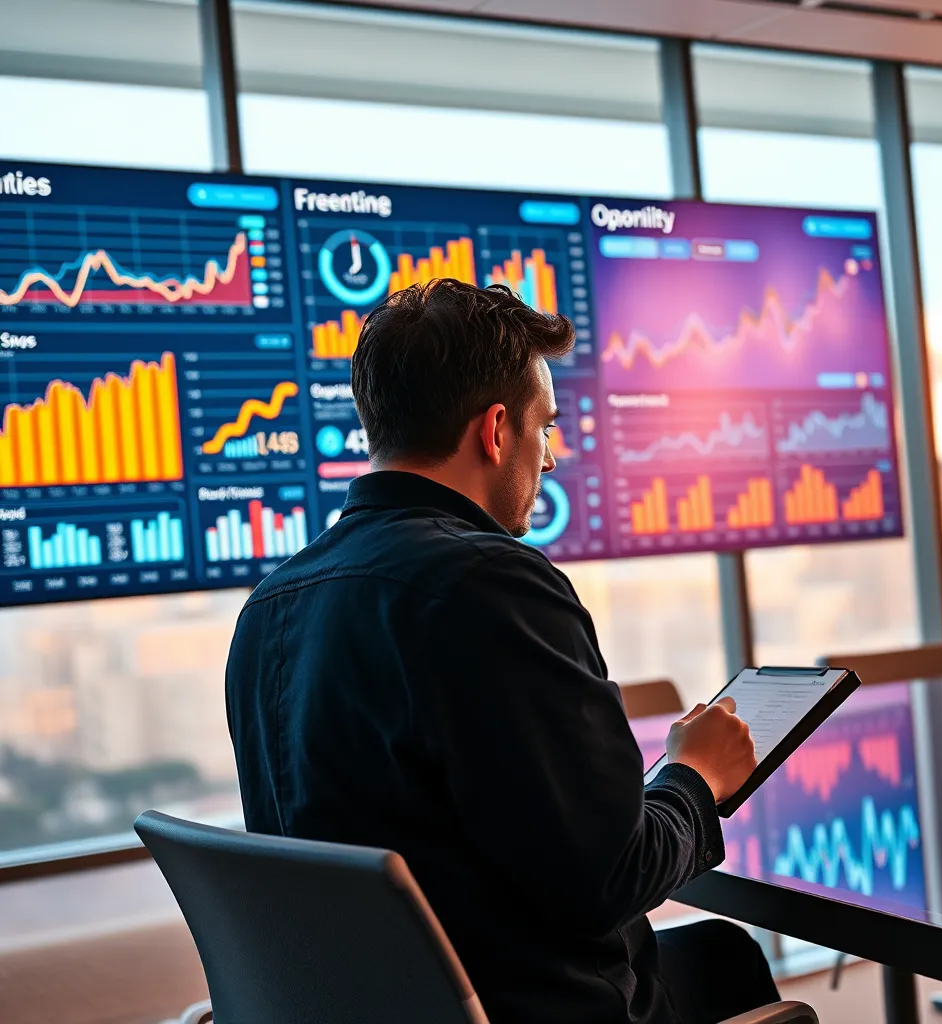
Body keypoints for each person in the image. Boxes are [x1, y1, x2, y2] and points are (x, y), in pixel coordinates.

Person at [225, 279, 779, 1024]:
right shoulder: (490, 584)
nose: (549, 459)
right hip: (524, 1006)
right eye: (544, 427)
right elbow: (610, 880)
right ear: (495, 431)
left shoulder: (268, 608)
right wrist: (695, 776)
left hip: (381, 1005)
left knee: (718, 956)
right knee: (725, 966)